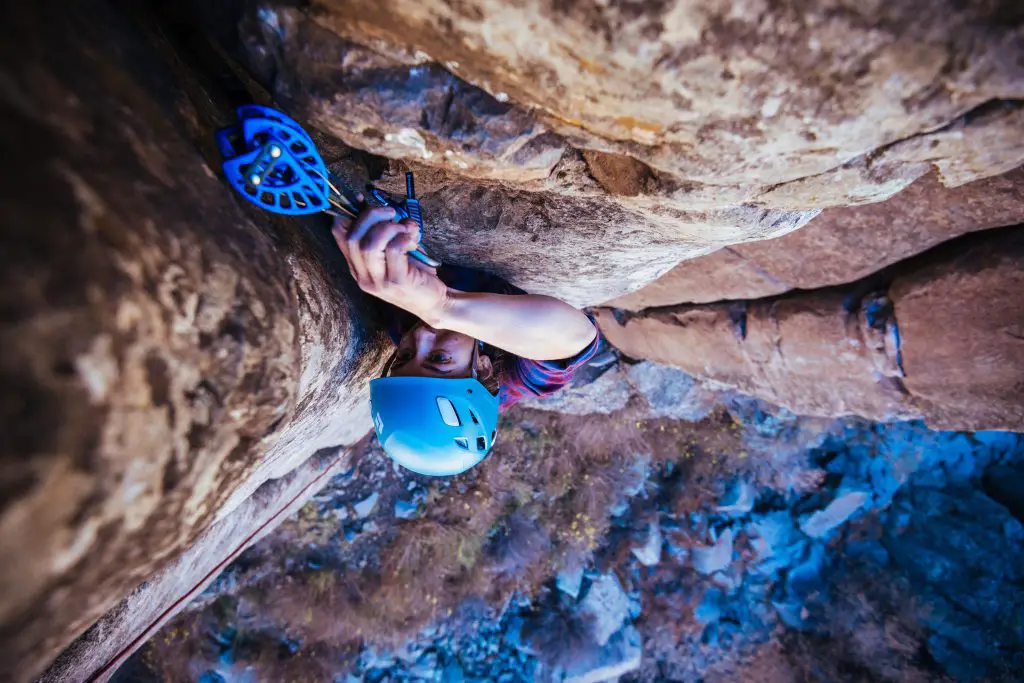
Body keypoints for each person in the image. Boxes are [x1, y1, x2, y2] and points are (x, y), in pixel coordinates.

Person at [332, 204, 600, 476]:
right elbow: (576, 336)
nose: (420, 336)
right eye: (439, 359)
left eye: (404, 357)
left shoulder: (398, 320)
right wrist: (442, 308)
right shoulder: (514, 377)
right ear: (483, 368)